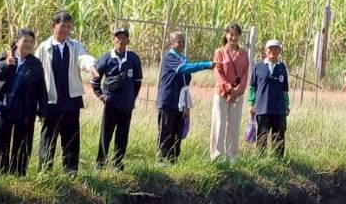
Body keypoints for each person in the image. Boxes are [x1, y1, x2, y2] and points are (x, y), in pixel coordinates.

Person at [35, 11, 87, 172]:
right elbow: (37, 72)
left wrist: (90, 66)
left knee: (71, 137)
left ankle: (70, 171)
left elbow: (83, 58)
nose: (65, 30)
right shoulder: (44, 48)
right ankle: (44, 171)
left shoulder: (75, 46)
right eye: (62, 26)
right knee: (48, 138)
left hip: (71, 100)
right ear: (53, 27)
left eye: (68, 27)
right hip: (51, 101)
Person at [0, 28, 46, 174]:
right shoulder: (4, 57)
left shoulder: (35, 64)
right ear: (17, 42)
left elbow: (41, 88)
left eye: (31, 42)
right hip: (5, 106)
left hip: (26, 109)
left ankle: (18, 172)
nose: (28, 44)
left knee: (23, 141)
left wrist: (42, 111)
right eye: (25, 41)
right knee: (1, 138)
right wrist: (6, 65)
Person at [156, 31, 213, 163]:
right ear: (171, 43)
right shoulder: (169, 58)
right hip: (168, 100)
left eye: (182, 41)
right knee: (166, 131)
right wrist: (206, 65)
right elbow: (183, 69)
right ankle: (161, 160)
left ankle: (173, 160)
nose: (181, 44)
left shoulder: (183, 58)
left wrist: (187, 105)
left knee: (177, 131)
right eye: (178, 41)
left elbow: (185, 84)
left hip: (180, 102)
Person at [92, 26, 144, 169]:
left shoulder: (133, 58)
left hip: (126, 104)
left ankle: (118, 163)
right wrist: (101, 95)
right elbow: (95, 79)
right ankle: (100, 163)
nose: (121, 40)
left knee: (122, 135)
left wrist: (131, 98)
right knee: (106, 134)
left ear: (128, 40)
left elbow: (138, 82)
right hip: (111, 104)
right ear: (113, 39)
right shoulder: (106, 58)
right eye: (118, 37)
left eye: (123, 37)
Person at [210, 22, 250, 161]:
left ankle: (232, 156)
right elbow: (218, 73)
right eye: (231, 34)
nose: (233, 38)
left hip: (237, 95)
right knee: (219, 123)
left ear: (239, 36)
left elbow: (245, 74)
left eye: (236, 35)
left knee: (234, 125)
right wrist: (228, 89)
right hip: (222, 94)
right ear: (226, 35)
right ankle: (217, 155)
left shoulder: (244, 54)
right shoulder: (219, 52)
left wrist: (237, 91)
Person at [249, 39, 289, 156]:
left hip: (279, 109)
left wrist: (286, 106)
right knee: (262, 135)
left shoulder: (282, 67)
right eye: (270, 48)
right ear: (266, 51)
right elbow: (252, 87)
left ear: (279, 51)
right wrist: (252, 104)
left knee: (279, 137)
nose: (273, 51)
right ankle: (261, 161)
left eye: (276, 48)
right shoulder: (259, 67)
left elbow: (285, 90)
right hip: (262, 108)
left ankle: (277, 162)